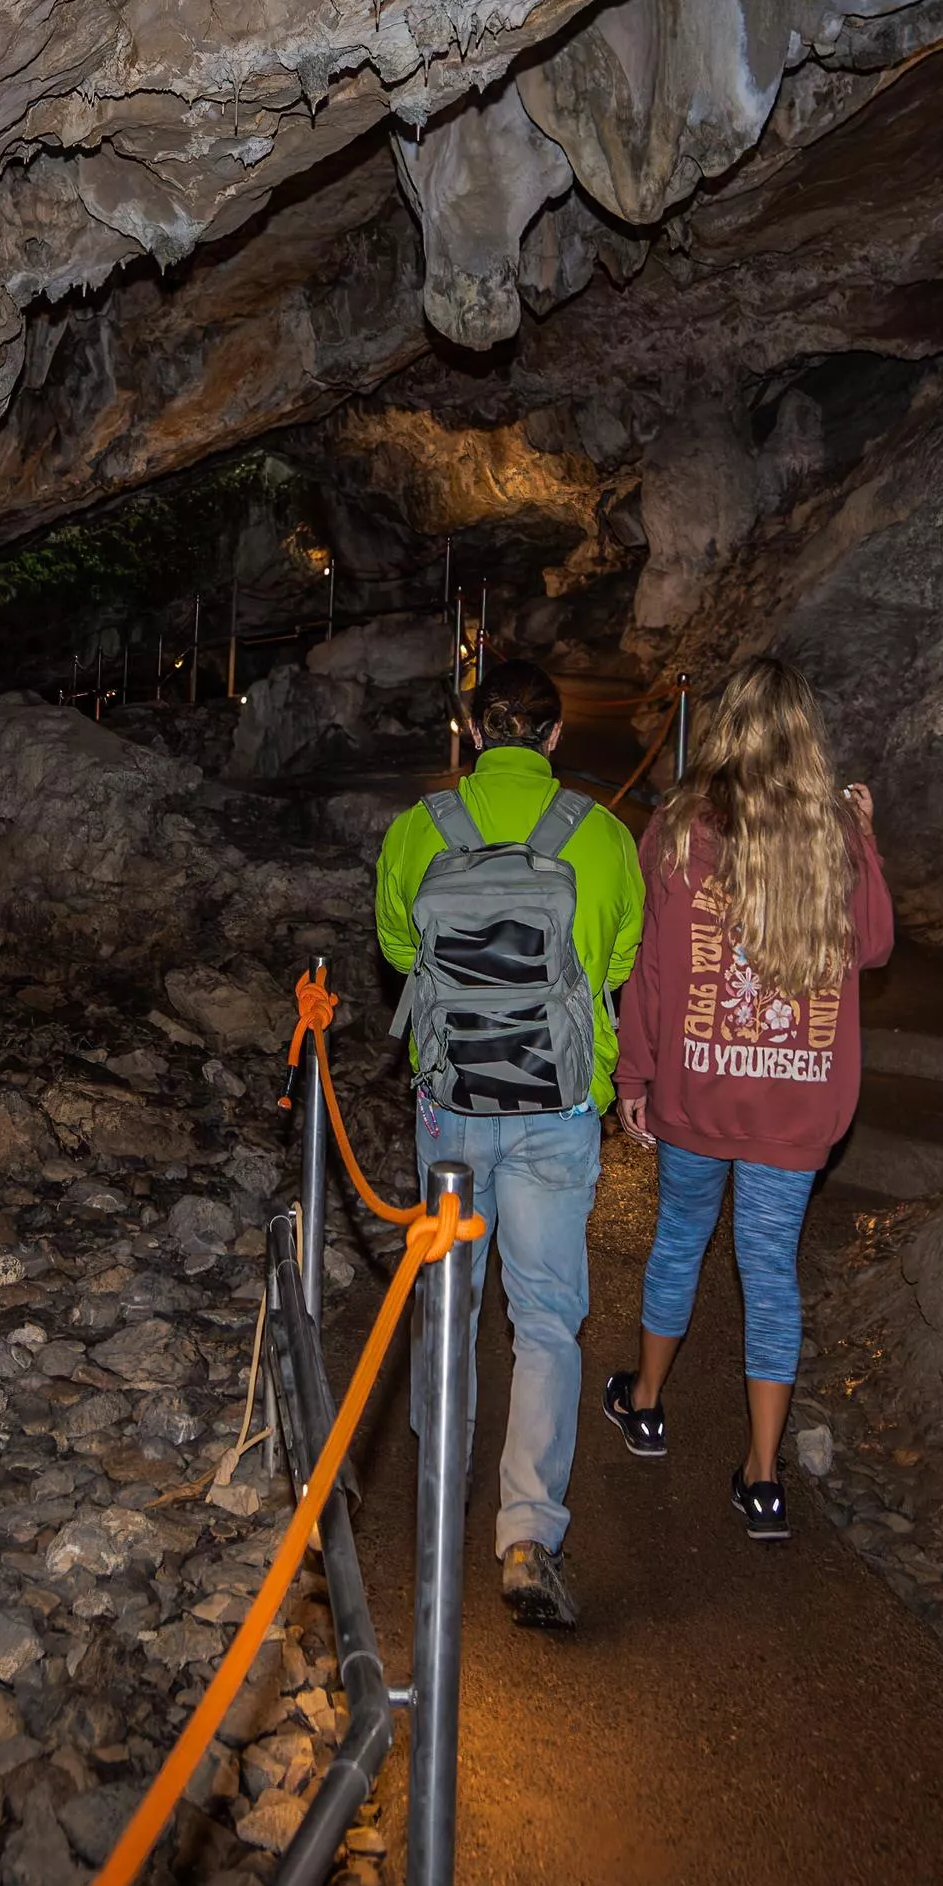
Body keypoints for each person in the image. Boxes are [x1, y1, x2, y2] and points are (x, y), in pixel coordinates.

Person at [373, 653, 647, 1632]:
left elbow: (399, 948)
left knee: (446, 1298)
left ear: (473, 731)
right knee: (545, 1320)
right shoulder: (602, 834)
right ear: (555, 736)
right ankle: (528, 1531)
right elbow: (615, 961)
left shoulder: (421, 827)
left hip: (452, 1104)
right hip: (557, 1108)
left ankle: (438, 1490)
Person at [601, 655, 892, 1541]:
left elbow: (652, 972)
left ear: (725, 729)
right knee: (769, 1274)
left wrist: (634, 1076)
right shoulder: (833, 837)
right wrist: (866, 838)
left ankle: (646, 1404)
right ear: (807, 738)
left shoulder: (677, 830)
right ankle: (763, 1479)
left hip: (698, 1089)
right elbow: (874, 945)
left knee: (679, 1239)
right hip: (794, 1104)